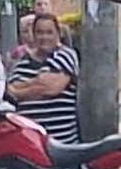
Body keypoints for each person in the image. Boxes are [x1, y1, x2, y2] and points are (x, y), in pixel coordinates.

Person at [7, 11, 81, 145]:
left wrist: (20, 91)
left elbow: (52, 89)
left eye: (49, 32)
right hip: (30, 144)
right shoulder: (21, 63)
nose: (44, 37)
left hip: (63, 144)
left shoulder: (65, 55)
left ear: (58, 34)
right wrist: (37, 81)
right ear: (33, 35)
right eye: (40, 32)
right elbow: (10, 93)